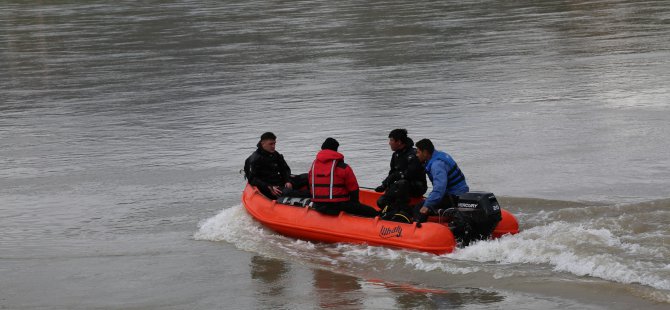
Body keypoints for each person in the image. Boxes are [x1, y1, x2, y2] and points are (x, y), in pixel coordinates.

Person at [308, 138, 379, 217]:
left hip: (318, 205)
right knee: (372, 212)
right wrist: (355, 204)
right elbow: (354, 189)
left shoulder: (313, 167)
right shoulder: (343, 167)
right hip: (338, 205)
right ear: (336, 150)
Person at [374, 129, 427, 222]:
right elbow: (392, 173)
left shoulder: (413, 155)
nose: (389, 143)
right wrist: (385, 185)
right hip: (401, 186)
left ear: (399, 142)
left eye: (391, 140)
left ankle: (404, 211)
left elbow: (410, 174)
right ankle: (394, 210)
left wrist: (397, 176)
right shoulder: (396, 155)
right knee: (381, 201)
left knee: (402, 183)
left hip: (416, 187)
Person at [413, 138, 469, 224]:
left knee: (419, 207)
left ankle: (418, 230)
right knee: (428, 202)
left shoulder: (437, 165)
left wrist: (427, 205)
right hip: (461, 194)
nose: (416, 155)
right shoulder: (440, 155)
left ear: (425, 152)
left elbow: (439, 189)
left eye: (418, 152)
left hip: (454, 197)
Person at [244, 132, 298, 199]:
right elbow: (252, 179)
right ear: (262, 143)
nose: (273, 146)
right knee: (288, 193)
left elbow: (284, 168)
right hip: (267, 186)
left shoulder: (275, 154)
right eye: (270, 144)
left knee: (306, 177)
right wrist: (268, 187)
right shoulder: (254, 159)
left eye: (274, 143)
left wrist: (287, 180)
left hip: (278, 181)